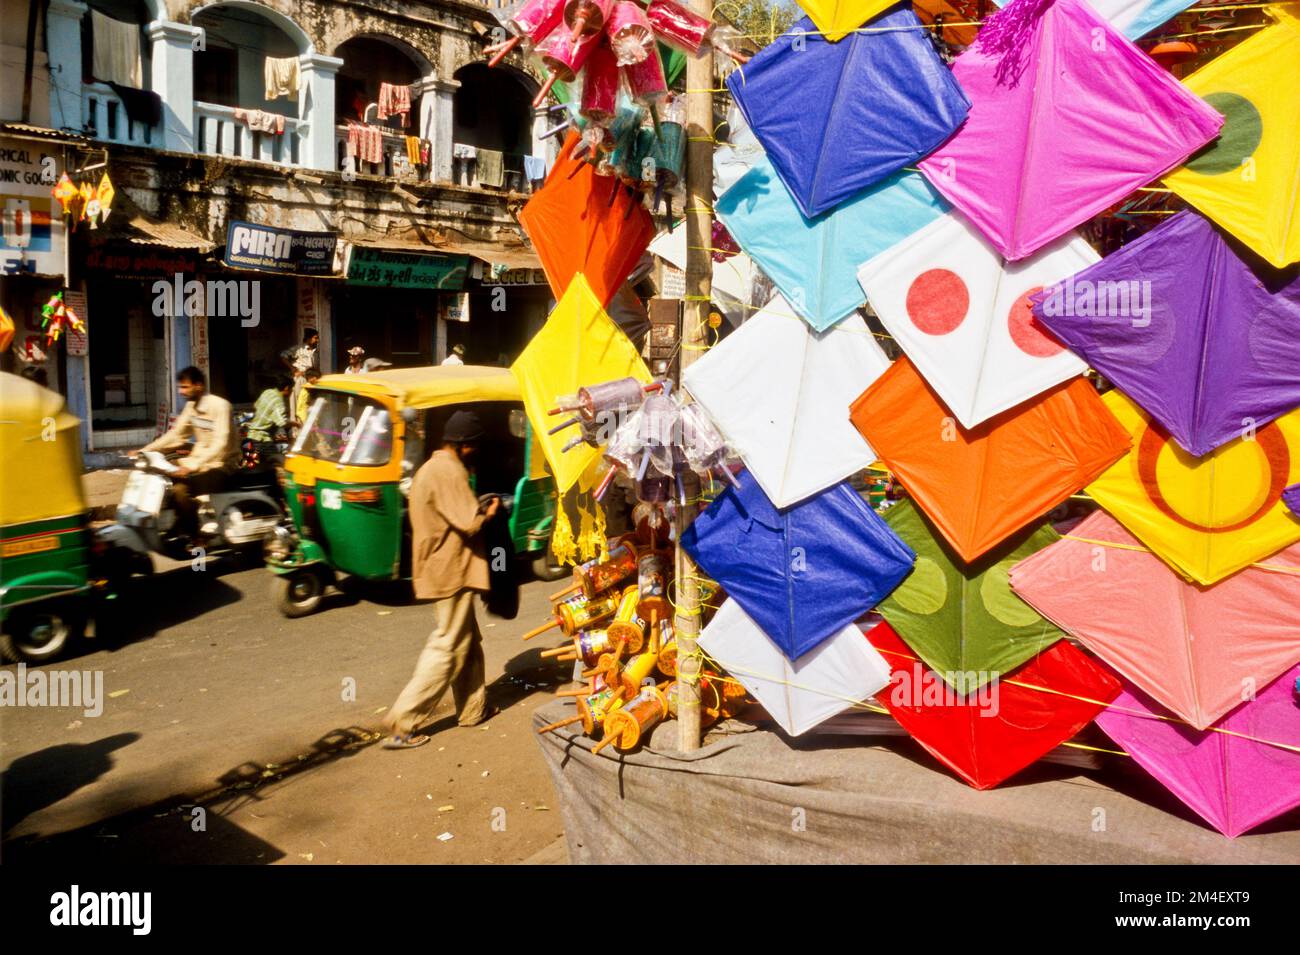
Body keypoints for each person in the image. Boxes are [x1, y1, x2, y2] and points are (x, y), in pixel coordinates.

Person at [382, 410, 501, 749]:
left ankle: (472, 710)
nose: (476, 452)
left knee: (467, 642)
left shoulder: (429, 468)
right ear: (464, 445)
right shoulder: (449, 471)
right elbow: (469, 522)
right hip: (452, 569)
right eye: (474, 447)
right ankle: (402, 722)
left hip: (444, 566)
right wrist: (489, 511)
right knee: (448, 645)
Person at [133, 366, 240, 539]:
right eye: (180, 387)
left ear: (199, 386)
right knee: (163, 476)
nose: (181, 391)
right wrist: (145, 450)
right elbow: (176, 435)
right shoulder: (191, 407)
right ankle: (179, 519)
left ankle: (194, 533)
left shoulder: (220, 406)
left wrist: (192, 466)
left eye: (185, 387)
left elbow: (221, 443)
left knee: (181, 491)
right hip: (199, 463)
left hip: (223, 465)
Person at [247, 377, 292, 464]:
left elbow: (256, 405)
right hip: (262, 438)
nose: (291, 392)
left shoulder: (267, 392)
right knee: (281, 462)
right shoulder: (279, 401)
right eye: (291, 389)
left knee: (263, 467)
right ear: (286, 388)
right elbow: (282, 422)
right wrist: (296, 424)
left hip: (251, 435)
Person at [280, 328, 319, 425]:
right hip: (300, 379)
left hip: (310, 380)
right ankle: (296, 430)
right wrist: (293, 368)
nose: (317, 340)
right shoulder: (299, 349)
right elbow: (283, 355)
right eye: (315, 338)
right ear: (309, 338)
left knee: (306, 404)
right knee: (297, 404)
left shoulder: (315, 351)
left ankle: (305, 427)